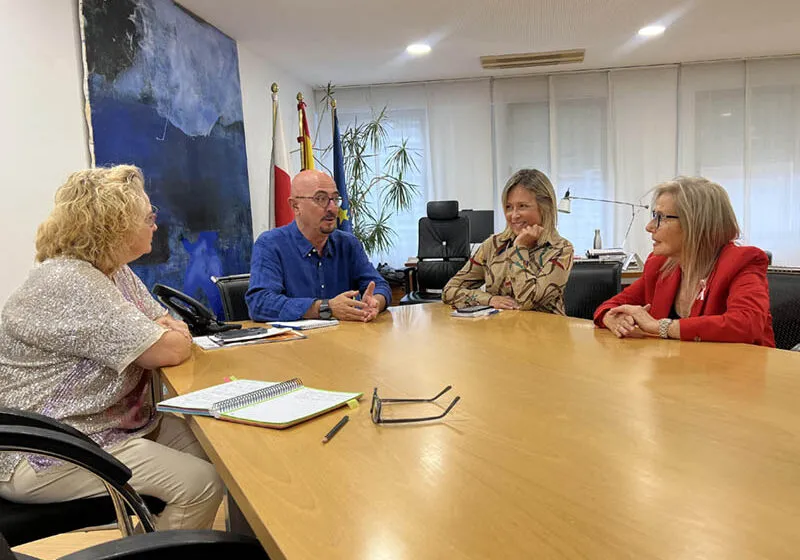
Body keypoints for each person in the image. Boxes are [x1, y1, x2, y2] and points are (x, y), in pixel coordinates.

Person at [0, 165, 223, 530]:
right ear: (114, 224)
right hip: (45, 449)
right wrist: (165, 333)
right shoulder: (70, 281)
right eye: (148, 216)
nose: (155, 223)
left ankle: (145, 543)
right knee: (200, 483)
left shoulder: (112, 270)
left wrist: (165, 332)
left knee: (217, 449)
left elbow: (163, 325)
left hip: (99, 424)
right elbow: (167, 348)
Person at [594, 176, 775, 346]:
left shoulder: (742, 262)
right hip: (679, 370)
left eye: (660, 218)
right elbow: (611, 306)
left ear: (696, 223)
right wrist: (611, 318)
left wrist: (660, 327)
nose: (649, 227)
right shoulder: (660, 264)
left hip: (739, 373)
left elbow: (746, 324)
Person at [247, 169, 391, 322]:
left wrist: (375, 302)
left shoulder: (348, 244)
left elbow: (380, 286)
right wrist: (325, 308)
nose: (332, 208)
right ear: (295, 206)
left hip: (344, 340)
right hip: (295, 343)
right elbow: (260, 303)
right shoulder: (271, 244)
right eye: (321, 199)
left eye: (335, 199)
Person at [442, 169, 574, 313]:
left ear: (545, 207)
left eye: (523, 206)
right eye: (509, 207)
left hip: (544, 332)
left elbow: (527, 301)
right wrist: (490, 300)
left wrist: (519, 248)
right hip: (500, 330)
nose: (514, 215)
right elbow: (449, 291)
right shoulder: (493, 245)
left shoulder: (561, 249)